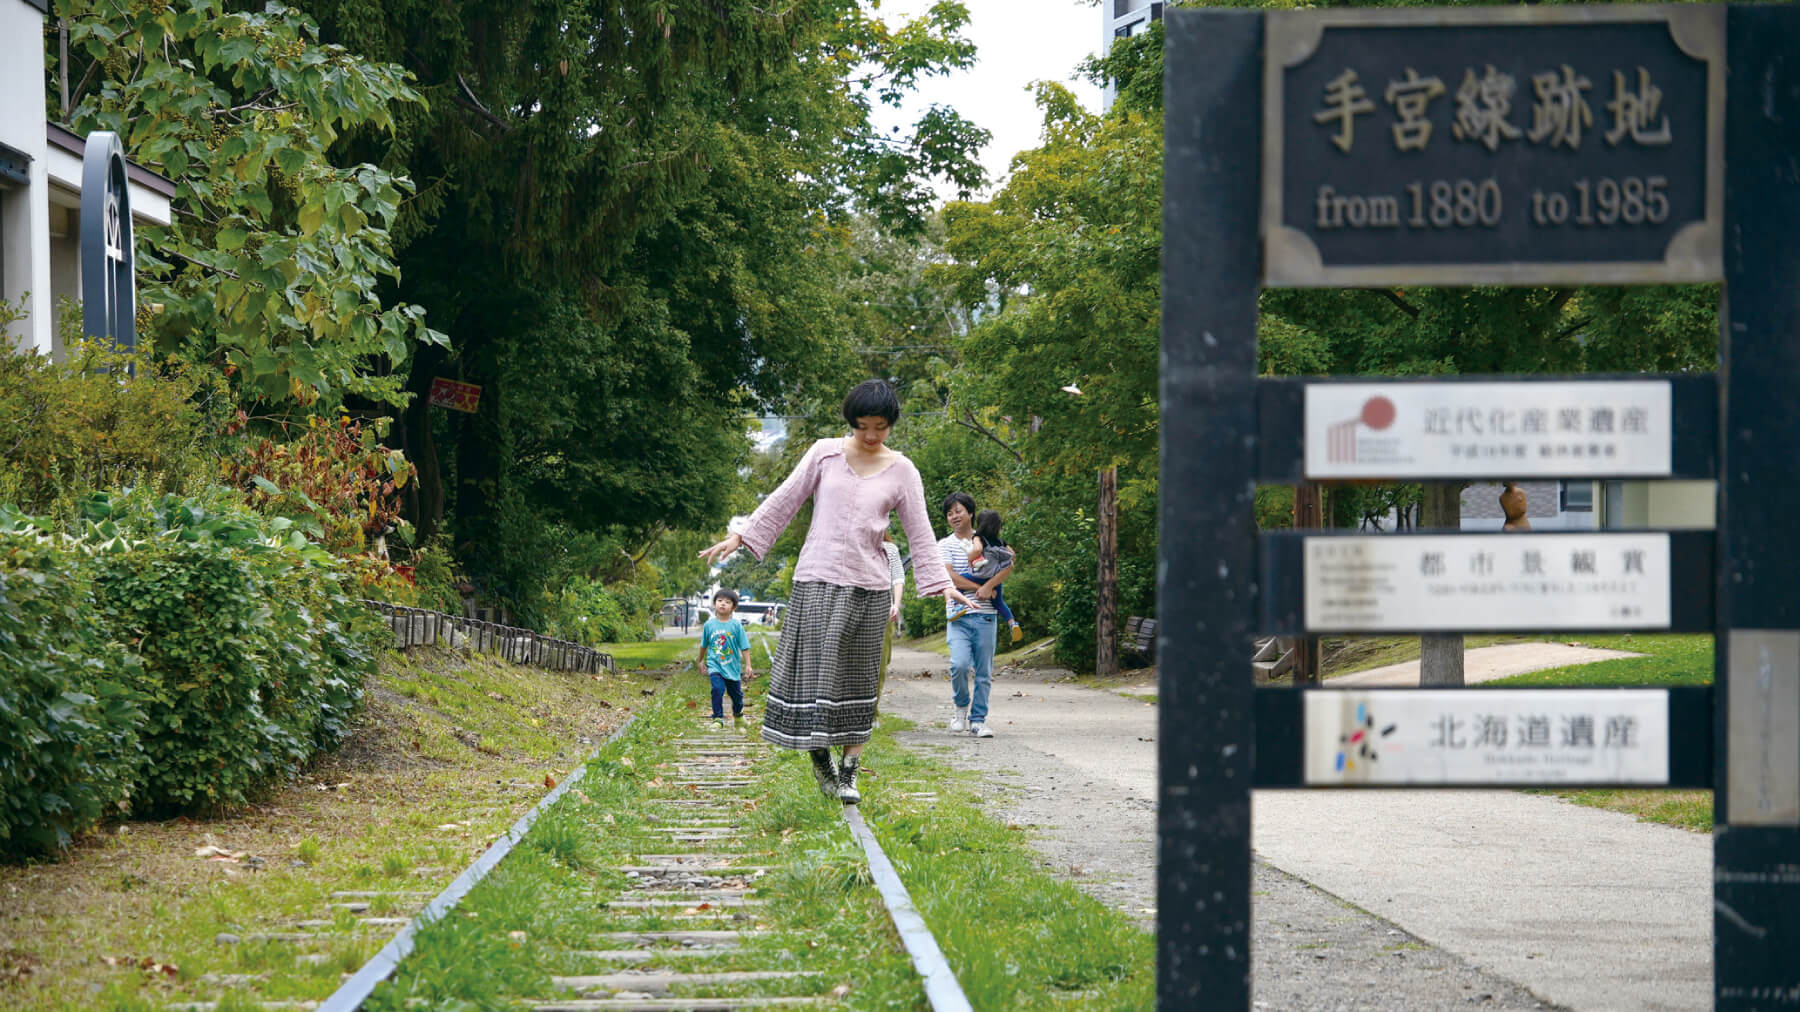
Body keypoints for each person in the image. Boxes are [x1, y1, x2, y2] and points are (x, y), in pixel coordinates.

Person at [699, 380, 973, 805]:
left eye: (880, 427)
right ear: (851, 422)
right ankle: (819, 758)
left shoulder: (903, 470)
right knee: (813, 679)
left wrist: (943, 585)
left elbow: (920, 532)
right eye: (862, 426)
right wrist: (741, 536)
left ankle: (849, 772)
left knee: (859, 680)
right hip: (816, 581)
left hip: (869, 589)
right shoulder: (824, 453)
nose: (870, 435)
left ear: (891, 424)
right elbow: (785, 499)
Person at [939, 492, 1011, 739]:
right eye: (949, 513)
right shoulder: (945, 545)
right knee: (958, 665)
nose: (954, 516)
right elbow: (950, 577)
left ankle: (978, 720)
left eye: (958, 511)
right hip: (958, 615)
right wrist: (979, 588)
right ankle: (961, 708)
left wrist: (990, 585)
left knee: (984, 672)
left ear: (970, 513)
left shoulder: (987, 539)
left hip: (986, 614)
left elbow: (1009, 563)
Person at [949, 509, 1023, 644]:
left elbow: (977, 549)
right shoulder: (1000, 541)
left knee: (957, 583)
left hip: (979, 575)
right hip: (994, 578)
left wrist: (970, 558)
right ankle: (1012, 623)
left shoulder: (978, 537)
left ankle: (957, 607)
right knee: (999, 602)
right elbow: (1012, 555)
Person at [698, 588, 754, 732]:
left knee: (736, 695)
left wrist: (748, 665)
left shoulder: (736, 626)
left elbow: (744, 646)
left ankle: (739, 716)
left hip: (732, 667)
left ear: (733, 608)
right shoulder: (709, 625)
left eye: (727, 602)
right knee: (717, 689)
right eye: (720, 601)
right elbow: (704, 645)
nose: (723, 604)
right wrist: (700, 661)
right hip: (715, 665)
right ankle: (717, 718)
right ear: (714, 604)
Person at [878, 530, 906, 708]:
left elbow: (898, 578)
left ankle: (872, 709)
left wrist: (896, 604)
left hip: (883, 610)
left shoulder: (890, 549)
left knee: (883, 660)